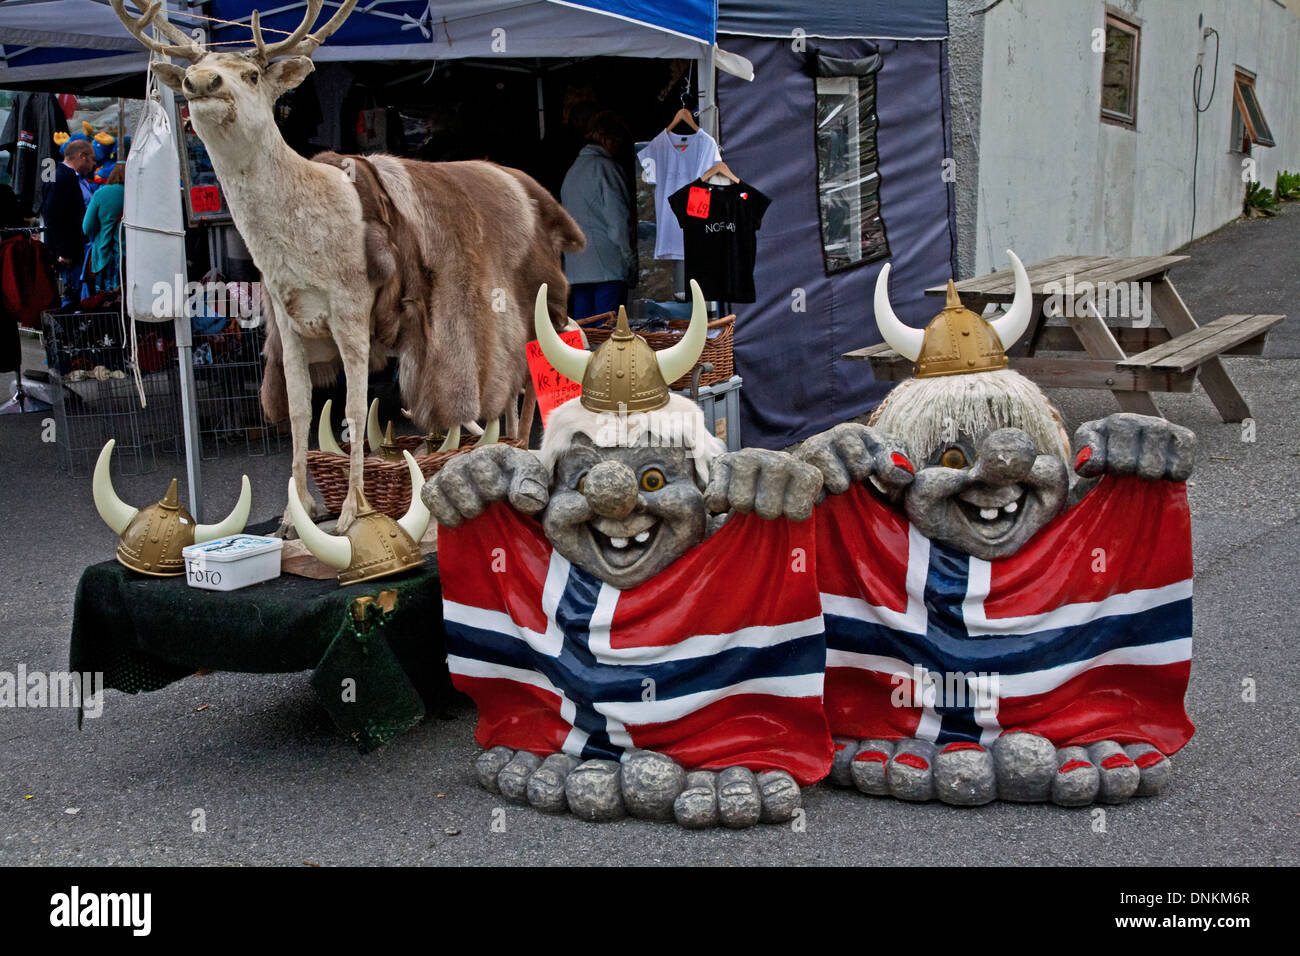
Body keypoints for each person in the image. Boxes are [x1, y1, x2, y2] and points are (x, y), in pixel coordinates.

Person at [560, 111, 636, 320]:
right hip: (608, 265)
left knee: (585, 331)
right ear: (607, 138)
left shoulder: (572, 172)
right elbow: (618, 222)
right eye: (617, 141)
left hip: (577, 266)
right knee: (608, 333)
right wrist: (630, 259)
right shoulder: (607, 169)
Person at [41, 137, 94, 306]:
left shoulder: (73, 178)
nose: (93, 165)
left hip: (76, 249)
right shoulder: (62, 177)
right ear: (83, 156)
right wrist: (63, 251)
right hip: (69, 252)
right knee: (72, 295)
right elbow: (54, 216)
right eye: (92, 159)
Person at [82, 163, 125, 293]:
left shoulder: (101, 194)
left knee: (105, 302)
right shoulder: (141, 194)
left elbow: (87, 227)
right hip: (135, 257)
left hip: (104, 256)